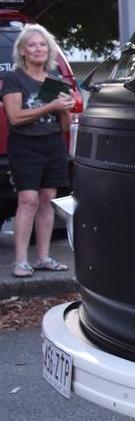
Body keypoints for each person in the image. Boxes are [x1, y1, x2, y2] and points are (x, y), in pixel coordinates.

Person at [2, 24, 74, 278]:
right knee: (28, 200)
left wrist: (64, 108)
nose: (38, 49)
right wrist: (50, 105)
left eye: (43, 44)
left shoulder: (54, 81)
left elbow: (64, 124)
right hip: (25, 146)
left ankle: (43, 257)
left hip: (53, 145)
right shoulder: (14, 78)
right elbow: (15, 117)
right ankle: (21, 261)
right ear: (22, 51)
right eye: (32, 45)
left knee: (47, 201)